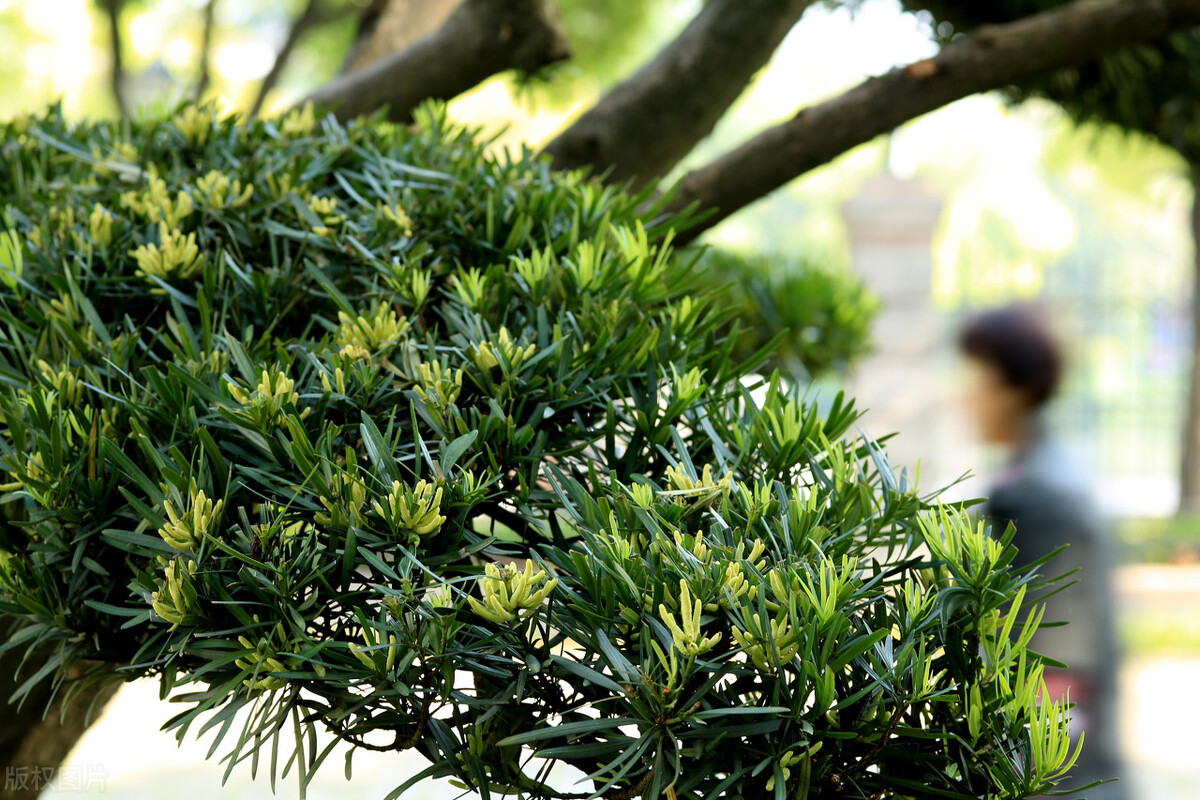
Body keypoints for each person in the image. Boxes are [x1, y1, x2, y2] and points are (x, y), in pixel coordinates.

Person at [958, 305, 1126, 800]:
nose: (965, 397)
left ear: (1017, 388)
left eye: (977, 378)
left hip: (1055, 770)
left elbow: (1056, 666)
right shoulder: (1037, 474)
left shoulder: (1043, 496)